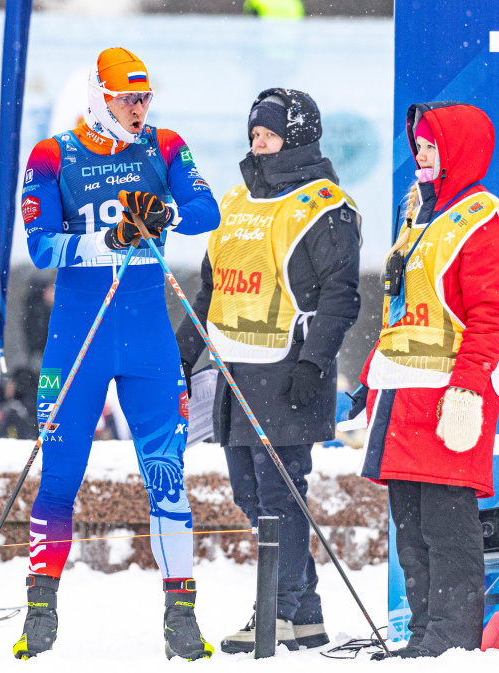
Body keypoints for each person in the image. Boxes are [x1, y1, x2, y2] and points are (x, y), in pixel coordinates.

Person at [14, 47, 220, 660]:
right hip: (78, 337)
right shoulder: (53, 155)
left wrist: (167, 212)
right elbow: (41, 248)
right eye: (128, 99)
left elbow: (206, 210)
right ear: (100, 99)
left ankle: (181, 616)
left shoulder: (165, 145)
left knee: (168, 480)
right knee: (59, 479)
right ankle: (40, 611)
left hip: (147, 341)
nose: (139, 109)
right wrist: (104, 240)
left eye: (145, 98)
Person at [176, 89, 360, 653]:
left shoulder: (328, 206)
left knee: (282, 495)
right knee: (249, 494)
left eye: (270, 135)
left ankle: (276, 610)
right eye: (254, 135)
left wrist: (314, 362)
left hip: (287, 371)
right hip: (235, 369)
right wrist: (185, 352)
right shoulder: (233, 201)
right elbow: (211, 288)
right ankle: (305, 611)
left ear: (298, 138)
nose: (258, 144)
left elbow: (340, 297)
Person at [356, 102, 499, 658]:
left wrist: (468, 389)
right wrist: (365, 384)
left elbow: (491, 318)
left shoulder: (485, 223)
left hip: (449, 396)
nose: (419, 154)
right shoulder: (417, 217)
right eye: (417, 145)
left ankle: (452, 643)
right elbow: (398, 311)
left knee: (448, 529)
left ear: (457, 151)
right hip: (401, 393)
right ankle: (424, 635)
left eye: (429, 145)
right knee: (411, 526)